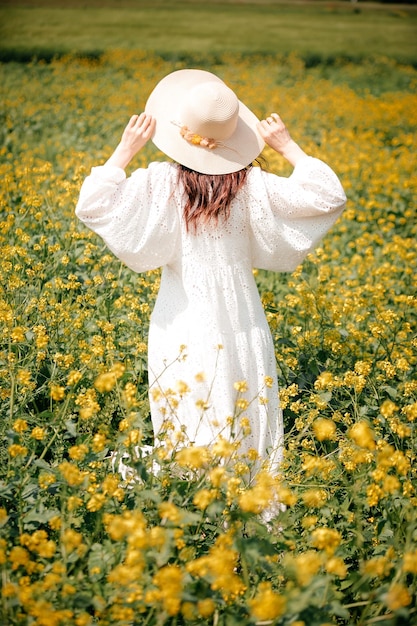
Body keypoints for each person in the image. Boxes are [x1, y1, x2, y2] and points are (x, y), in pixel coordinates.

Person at [75, 69, 346, 477]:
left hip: (180, 317)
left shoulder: (162, 181)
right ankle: (242, 484)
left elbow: (93, 205)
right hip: (242, 317)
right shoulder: (252, 183)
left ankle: (193, 488)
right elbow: (328, 196)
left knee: (189, 402)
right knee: (242, 397)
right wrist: (288, 147)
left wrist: (124, 151)